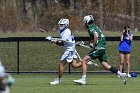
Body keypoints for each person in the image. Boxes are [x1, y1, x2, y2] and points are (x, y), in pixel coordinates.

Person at [73, 15, 128, 85]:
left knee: (84, 61)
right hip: (102, 47)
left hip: (98, 48)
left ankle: (83, 79)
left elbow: (96, 36)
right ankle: (121, 74)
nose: (84, 24)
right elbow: (93, 39)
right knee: (106, 66)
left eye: (85, 22)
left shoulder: (91, 27)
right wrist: (82, 43)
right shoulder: (95, 27)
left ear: (87, 22)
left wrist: (94, 45)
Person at [48, 18, 82, 85]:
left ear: (66, 25)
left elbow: (61, 42)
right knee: (74, 65)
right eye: (59, 25)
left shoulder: (66, 31)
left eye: (62, 25)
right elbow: (61, 43)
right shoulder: (63, 31)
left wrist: (52, 40)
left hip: (69, 50)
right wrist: (53, 40)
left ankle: (59, 80)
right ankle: (85, 62)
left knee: (61, 64)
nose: (60, 26)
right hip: (71, 49)